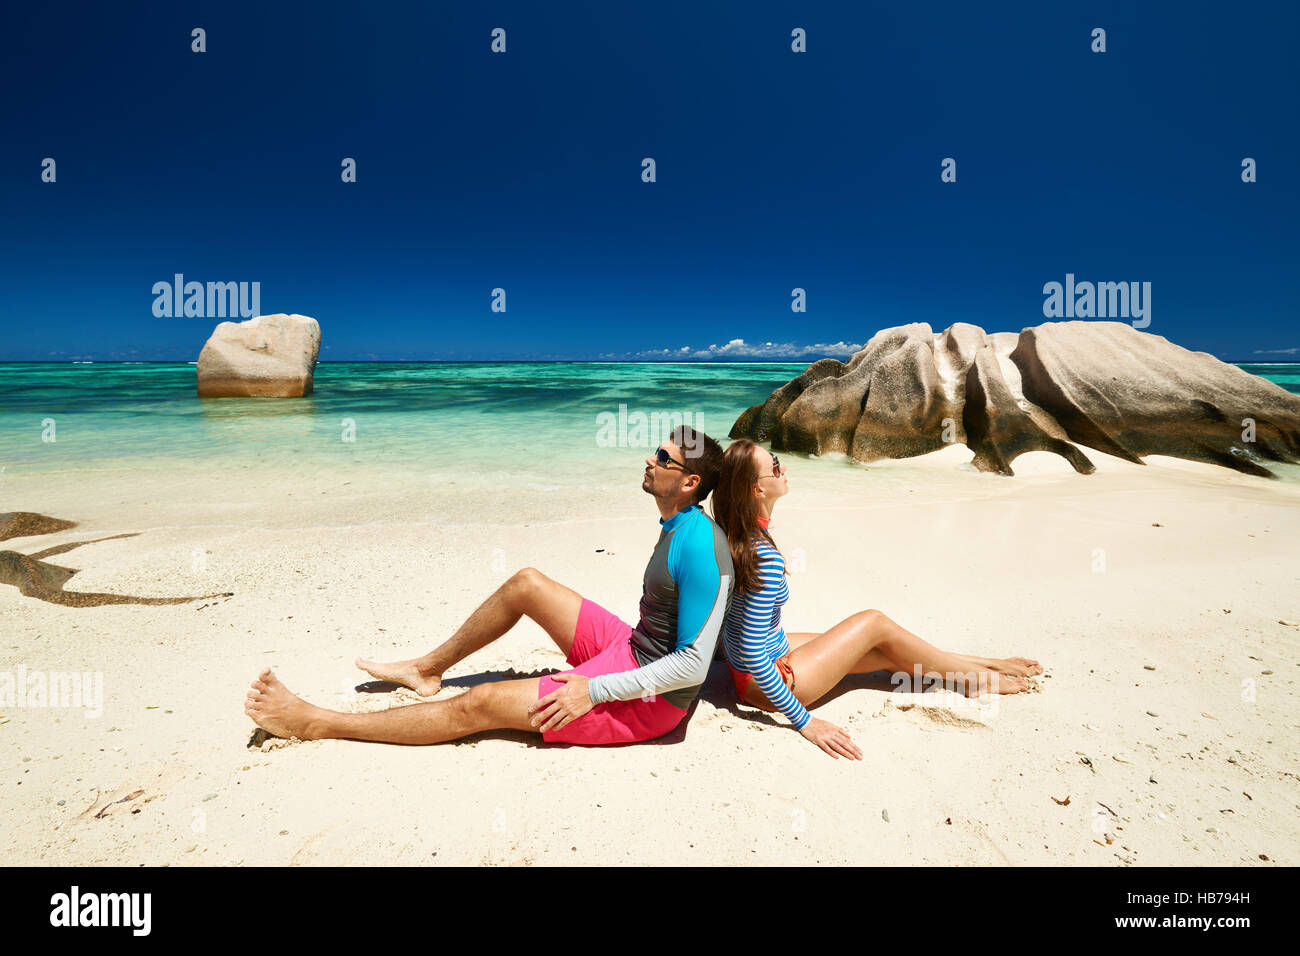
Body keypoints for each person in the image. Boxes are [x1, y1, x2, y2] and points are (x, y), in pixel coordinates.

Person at [244, 426, 734, 747]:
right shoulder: (677, 521)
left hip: (650, 702)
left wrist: (596, 689)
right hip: (631, 647)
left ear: (689, 482)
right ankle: (426, 669)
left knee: (479, 704)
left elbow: (691, 664)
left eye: (663, 456)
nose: (648, 458)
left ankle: (317, 722)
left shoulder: (700, 545)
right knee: (527, 583)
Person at [711, 439, 1043, 760]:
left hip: (766, 659)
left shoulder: (735, 536)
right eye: (775, 467)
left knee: (884, 652)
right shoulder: (762, 557)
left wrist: (722, 650)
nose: (783, 469)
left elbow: (729, 612)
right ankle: (974, 678)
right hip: (772, 680)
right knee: (874, 622)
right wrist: (806, 722)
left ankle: (981, 665)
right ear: (757, 489)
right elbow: (754, 653)